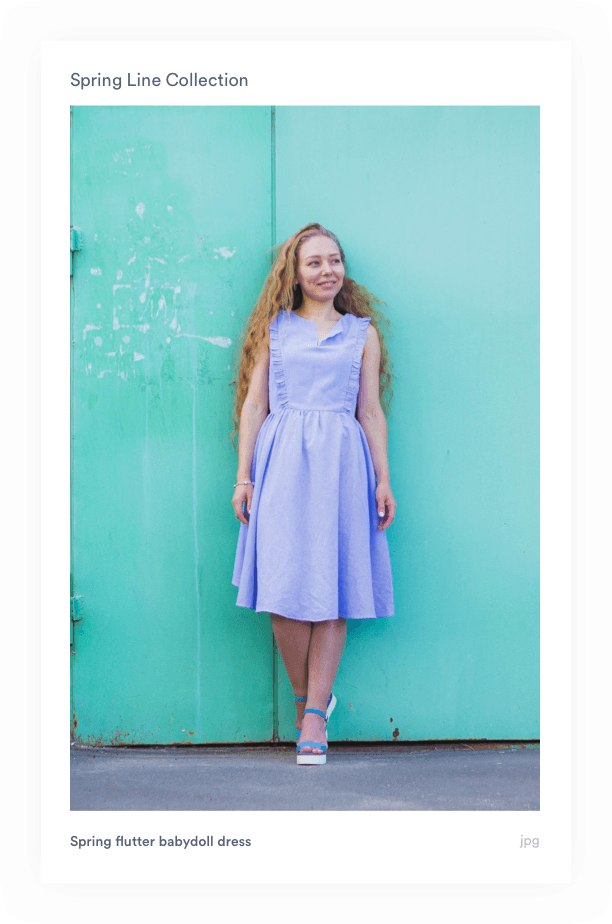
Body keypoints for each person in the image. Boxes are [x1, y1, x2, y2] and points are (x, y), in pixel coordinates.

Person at [230, 223, 395, 765]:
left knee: (334, 585)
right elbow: (255, 406)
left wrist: (383, 479)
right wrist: (244, 476)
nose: (327, 271)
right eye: (314, 263)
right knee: (283, 588)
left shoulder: (361, 334)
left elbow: (369, 410)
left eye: (335, 261)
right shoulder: (275, 329)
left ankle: (315, 716)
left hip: (343, 469)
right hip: (281, 465)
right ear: (294, 274)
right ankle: (308, 700)